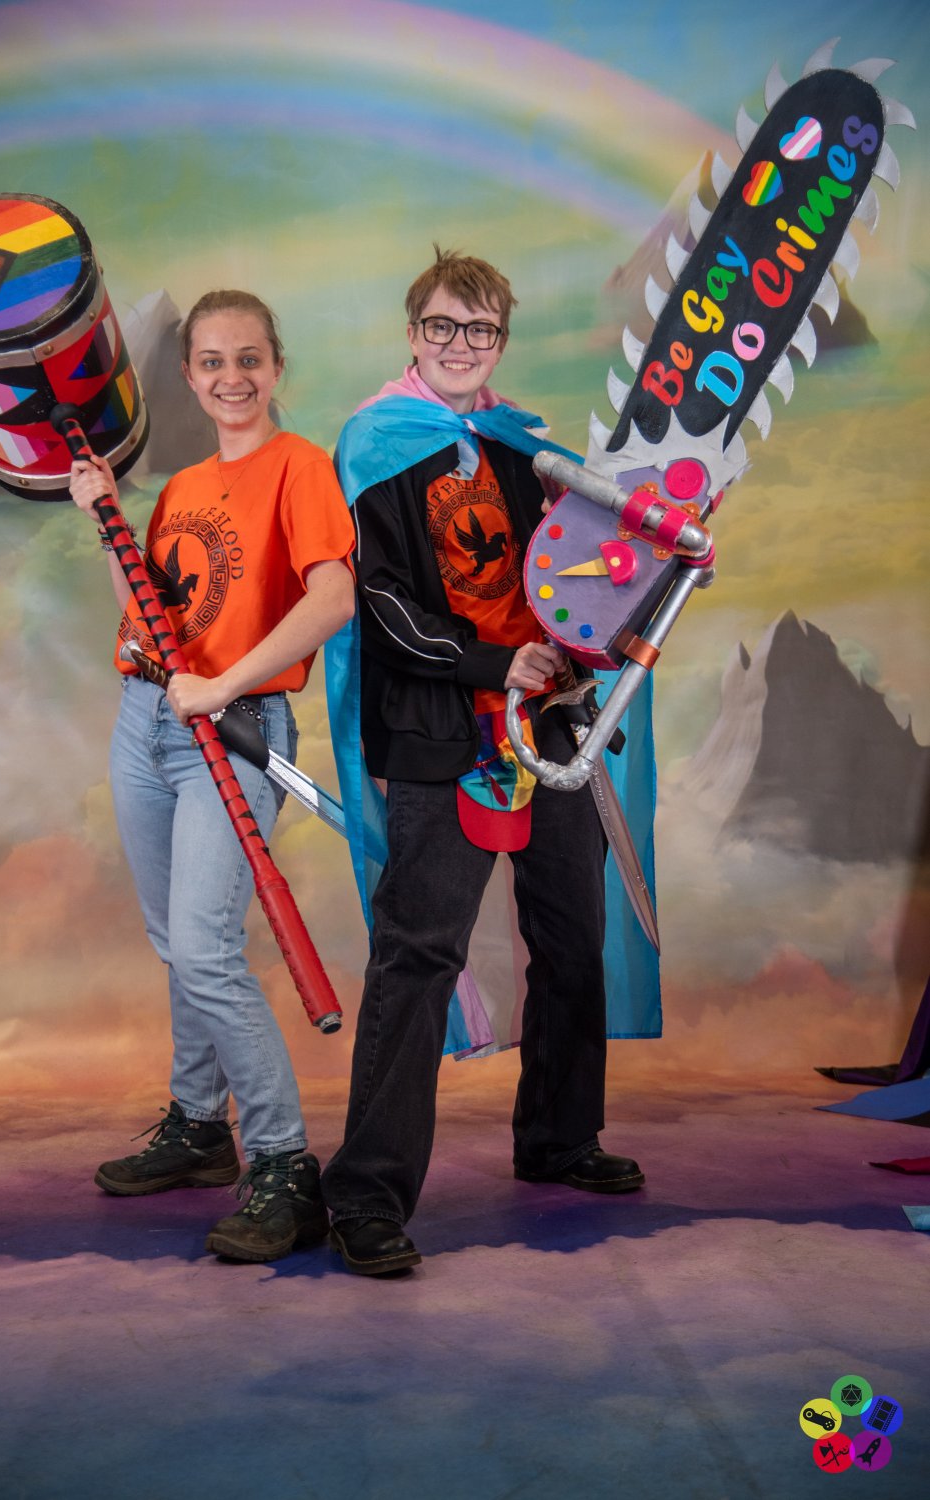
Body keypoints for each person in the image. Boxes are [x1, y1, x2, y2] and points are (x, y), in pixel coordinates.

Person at [322, 248, 646, 1276]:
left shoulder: (522, 450)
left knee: (573, 936)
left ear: (500, 340)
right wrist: (489, 662)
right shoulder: (375, 445)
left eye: (480, 329)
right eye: (442, 326)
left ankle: (559, 1137)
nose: (460, 345)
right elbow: (377, 602)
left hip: (547, 724)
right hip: (442, 732)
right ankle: (365, 1194)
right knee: (417, 954)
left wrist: (649, 562)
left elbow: (579, 578)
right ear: (412, 333)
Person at [69, 289, 355, 1263]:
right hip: (145, 719)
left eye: (248, 359)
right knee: (176, 942)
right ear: (189, 377)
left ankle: (283, 1165)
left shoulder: (299, 468)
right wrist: (103, 516)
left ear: (275, 367)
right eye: (211, 362)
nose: (231, 377)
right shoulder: (184, 485)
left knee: (203, 948)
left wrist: (224, 684)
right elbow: (150, 607)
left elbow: (332, 598)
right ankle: (199, 1126)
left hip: (233, 727)